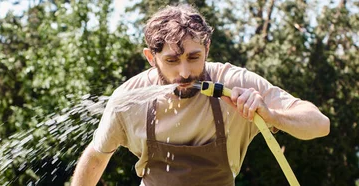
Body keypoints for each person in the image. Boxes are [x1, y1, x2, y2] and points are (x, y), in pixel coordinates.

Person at [71, 4, 330, 186]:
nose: (185, 72)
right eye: (171, 60)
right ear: (151, 58)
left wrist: (270, 115)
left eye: (194, 57)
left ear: (207, 48)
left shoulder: (234, 83)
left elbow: (319, 125)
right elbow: (96, 156)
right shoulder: (129, 100)